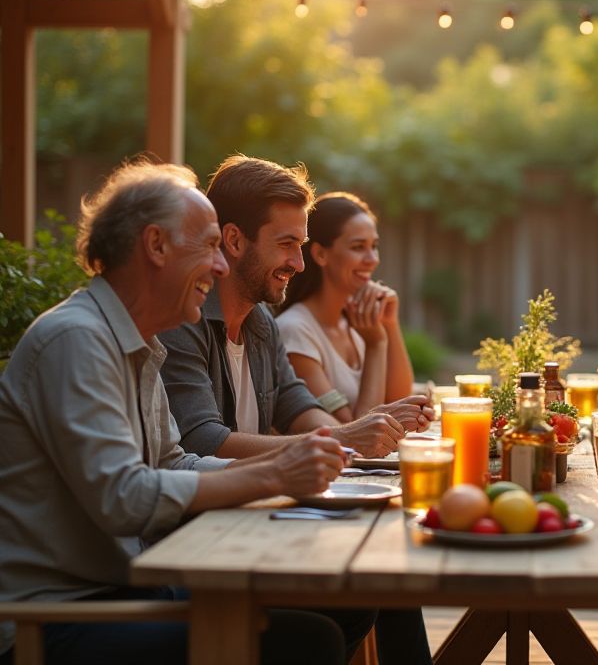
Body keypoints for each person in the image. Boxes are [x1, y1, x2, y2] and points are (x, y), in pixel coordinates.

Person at [0, 160, 366, 665]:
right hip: (55, 620)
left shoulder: (137, 342)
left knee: (346, 602)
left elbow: (175, 463)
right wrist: (273, 474)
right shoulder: (76, 340)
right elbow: (124, 497)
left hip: (128, 589)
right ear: (156, 245)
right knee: (305, 640)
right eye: (210, 246)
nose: (221, 267)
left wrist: (283, 469)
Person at [158, 155, 432, 664]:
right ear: (234, 240)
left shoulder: (260, 322)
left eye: (301, 246)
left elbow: (299, 405)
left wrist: (352, 434)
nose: (299, 263)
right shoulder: (184, 323)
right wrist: (342, 439)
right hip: (203, 543)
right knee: (351, 604)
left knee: (385, 579)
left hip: (251, 523)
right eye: (287, 244)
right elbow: (202, 440)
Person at [276, 192, 414, 421]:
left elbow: (399, 400)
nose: (373, 259)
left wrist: (389, 324)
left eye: (374, 246)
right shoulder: (295, 331)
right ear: (320, 254)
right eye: (358, 247)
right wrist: (376, 344)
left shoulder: (359, 321)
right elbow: (355, 432)